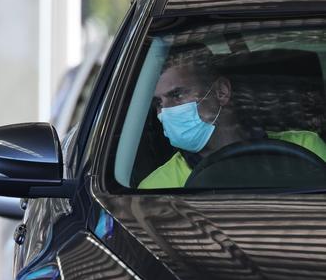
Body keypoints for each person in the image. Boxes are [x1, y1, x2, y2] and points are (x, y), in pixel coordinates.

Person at [138, 48, 326, 189]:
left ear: (221, 92)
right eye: (158, 103)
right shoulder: (156, 187)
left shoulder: (306, 148)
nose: (165, 111)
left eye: (177, 95)